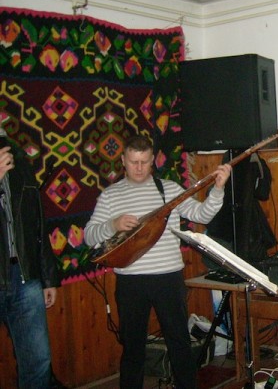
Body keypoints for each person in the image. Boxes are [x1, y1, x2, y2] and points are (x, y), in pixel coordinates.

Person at [84, 135, 231, 389]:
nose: (139, 168)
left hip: (168, 278)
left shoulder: (169, 189)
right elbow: (89, 236)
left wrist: (218, 189)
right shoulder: (110, 196)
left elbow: (202, 215)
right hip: (130, 282)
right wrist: (112, 224)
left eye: (144, 162)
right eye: (133, 162)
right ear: (123, 160)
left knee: (179, 342)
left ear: (152, 160)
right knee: (133, 347)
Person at [0, 128, 60, 389]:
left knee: (38, 363)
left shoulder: (19, 159)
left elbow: (37, 222)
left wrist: (47, 277)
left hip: (24, 277)